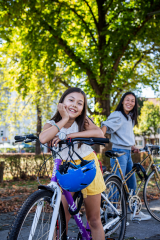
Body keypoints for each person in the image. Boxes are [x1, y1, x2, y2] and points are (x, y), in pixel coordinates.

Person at [39, 87, 106, 240]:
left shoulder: (84, 122)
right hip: (66, 169)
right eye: (71, 100)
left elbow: (99, 133)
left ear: (83, 109)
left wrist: (71, 135)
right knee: (61, 219)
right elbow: (43, 138)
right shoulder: (52, 124)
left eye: (80, 103)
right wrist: (63, 120)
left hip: (88, 166)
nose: (75, 105)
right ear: (62, 102)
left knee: (94, 219)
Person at [101, 92, 151, 221]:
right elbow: (105, 125)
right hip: (119, 152)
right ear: (122, 101)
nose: (129, 102)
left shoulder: (129, 117)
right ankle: (111, 214)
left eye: (132, 101)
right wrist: (100, 136)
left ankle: (135, 211)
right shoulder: (117, 115)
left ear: (135, 104)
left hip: (127, 152)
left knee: (132, 183)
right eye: (127, 100)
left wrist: (133, 146)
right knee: (117, 182)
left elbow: (126, 134)